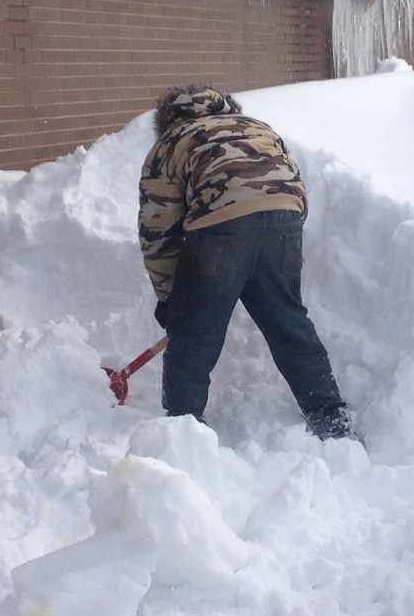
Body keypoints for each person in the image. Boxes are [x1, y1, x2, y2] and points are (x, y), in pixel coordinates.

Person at [138, 84, 355, 439]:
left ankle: (182, 432)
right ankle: (331, 419)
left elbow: (156, 231)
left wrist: (169, 297)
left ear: (167, 120)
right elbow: (291, 184)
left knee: (194, 334)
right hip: (283, 219)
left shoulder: (170, 144)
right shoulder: (258, 127)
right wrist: (269, 244)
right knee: (288, 323)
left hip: (219, 227)